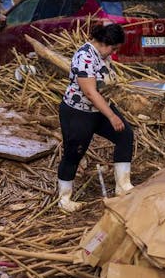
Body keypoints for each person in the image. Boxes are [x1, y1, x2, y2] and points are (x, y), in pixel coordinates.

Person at [56, 23, 134, 212]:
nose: (114, 53)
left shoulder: (102, 55)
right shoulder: (85, 57)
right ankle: (64, 199)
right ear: (105, 42)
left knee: (125, 135)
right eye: (114, 48)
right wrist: (112, 116)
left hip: (99, 109)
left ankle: (123, 186)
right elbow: (90, 93)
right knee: (74, 152)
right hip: (78, 112)